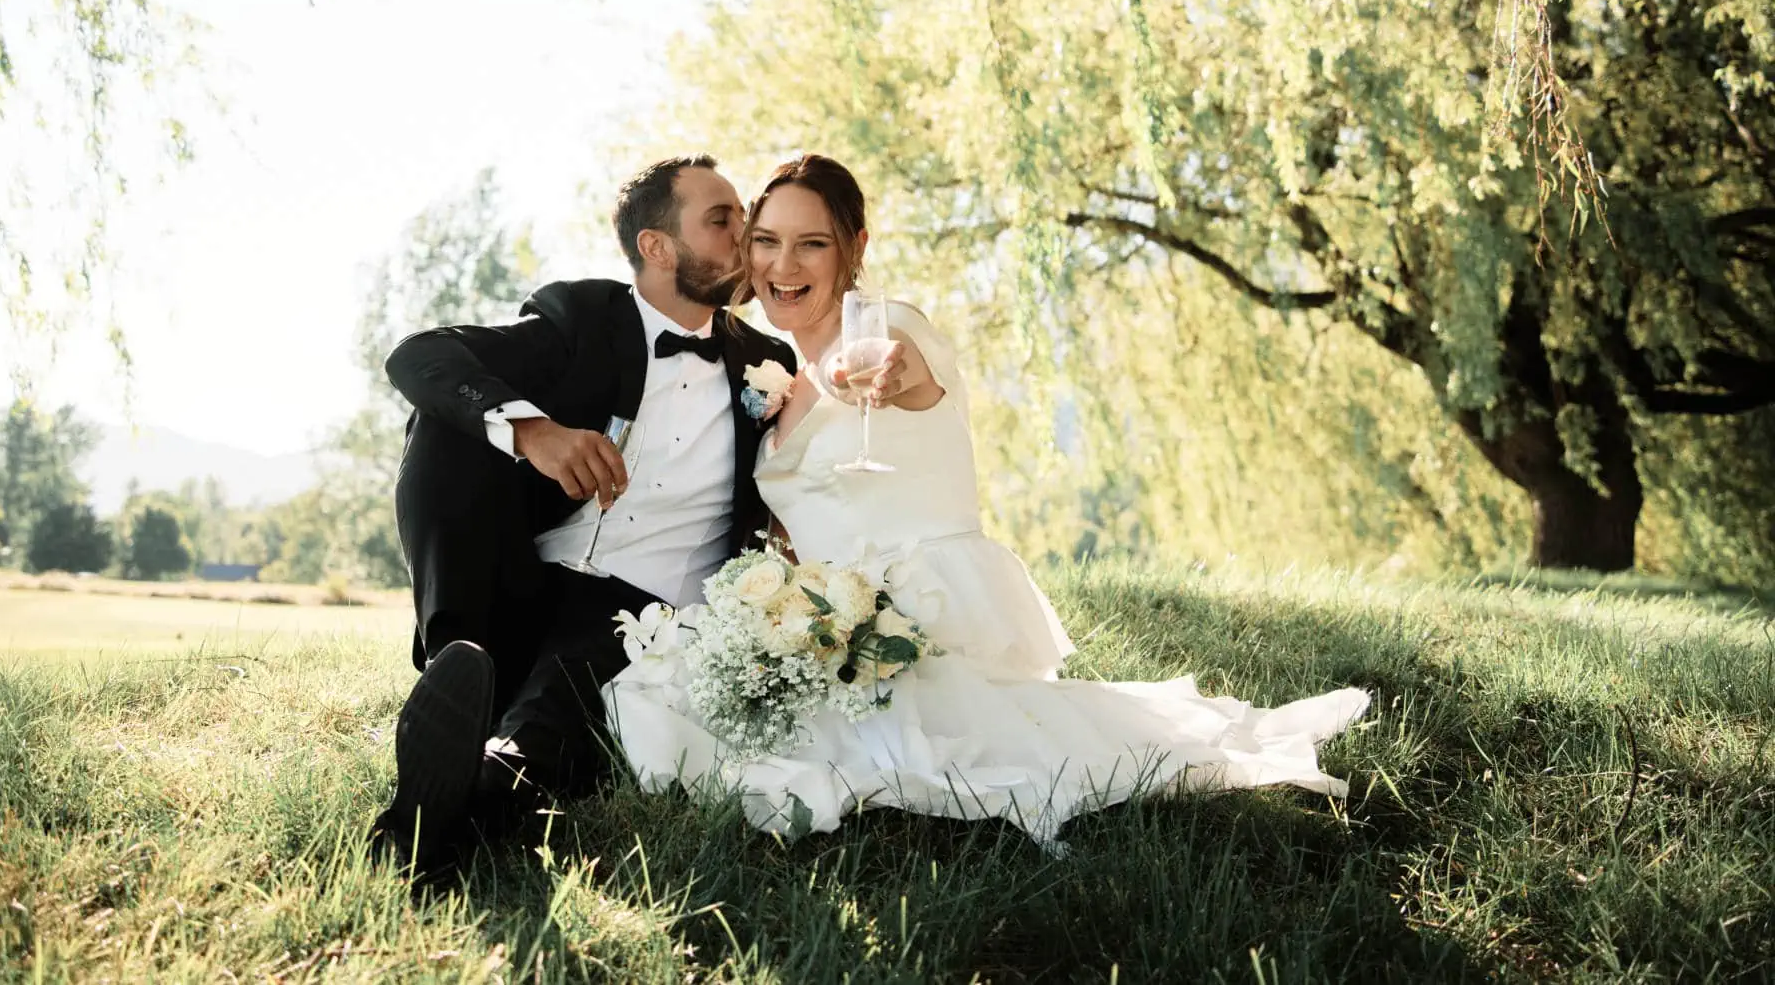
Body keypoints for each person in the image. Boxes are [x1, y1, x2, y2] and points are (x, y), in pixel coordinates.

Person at [605, 154, 1370, 843]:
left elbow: (907, 377)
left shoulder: (889, 328)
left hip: (919, 609)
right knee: (656, 692)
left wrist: (890, 375)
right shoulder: (776, 376)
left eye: (813, 243)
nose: (784, 263)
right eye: (766, 241)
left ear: (855, 248)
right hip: (828, 616)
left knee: (871, 749)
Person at [369, 155, 796, 876]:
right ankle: (457, 668)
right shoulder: (585, 316)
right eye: (721, 219)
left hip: (642, 604)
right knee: (452, 420)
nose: (745, 232)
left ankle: (442, 805)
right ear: (657, 247)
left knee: (547, 722)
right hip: (526, 580)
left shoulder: (769, 362)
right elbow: (420, 356)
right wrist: (535, 430)